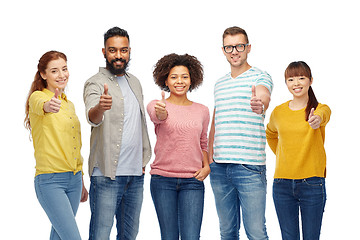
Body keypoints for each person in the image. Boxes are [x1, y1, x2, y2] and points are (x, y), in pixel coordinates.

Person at [83, 27, 151, 240]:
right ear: (104, 51)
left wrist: (142, 160)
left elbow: (139, 124)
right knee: (100, 235)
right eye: (113, 50)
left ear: (129, 51)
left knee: (129, 236)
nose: (118, 56)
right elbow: (93, 116)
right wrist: (100, 108)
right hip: (106, 176)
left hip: (135, 176)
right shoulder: (95, 82)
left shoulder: (135, 82)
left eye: (123, 50)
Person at [208, 26, 273, 240]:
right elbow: (216, 122)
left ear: (248, 48)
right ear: (223, 50)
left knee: (255, 232)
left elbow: (263, 96)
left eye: (239, 46)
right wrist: (210, 158)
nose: (234, 51)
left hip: (249, 166)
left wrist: (259, 104)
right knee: (227, 231)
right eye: (229, 47)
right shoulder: (219, 84)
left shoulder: (260, 76)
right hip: (219, 167)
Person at [25, 50, 88, 240]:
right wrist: (48, 106)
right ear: (43, 74)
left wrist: (81, 179)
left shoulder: (69, 105)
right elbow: (41, 104)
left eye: (64, 69)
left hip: (74, 180)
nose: (61, 75)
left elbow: (74, 145)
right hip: (50, 181)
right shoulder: (37, 97)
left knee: (59, 236)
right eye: (54, 71)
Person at [147, 53, 210, 239]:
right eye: (174, 77)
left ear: (192, 80)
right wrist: (161, 113)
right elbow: (157, 116)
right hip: (162, 180)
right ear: (165, 80)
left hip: (193, 180)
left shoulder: (202, 110)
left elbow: (203, 142)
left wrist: (207, 166)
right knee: (169, 236)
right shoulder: (157, 105)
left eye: (184, 76)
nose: (179, 81)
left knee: (192, 236)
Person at [266, 61, 331, 240]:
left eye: (302, 78)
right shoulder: (278, 112)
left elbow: (324, 115)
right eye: (291, 79)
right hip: (282, 184)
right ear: (286, 83)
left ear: (310, 80)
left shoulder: (319, 109)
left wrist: (316, 119)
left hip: (312, 183)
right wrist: (282, 154)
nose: (296, 83)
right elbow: (270, 134)